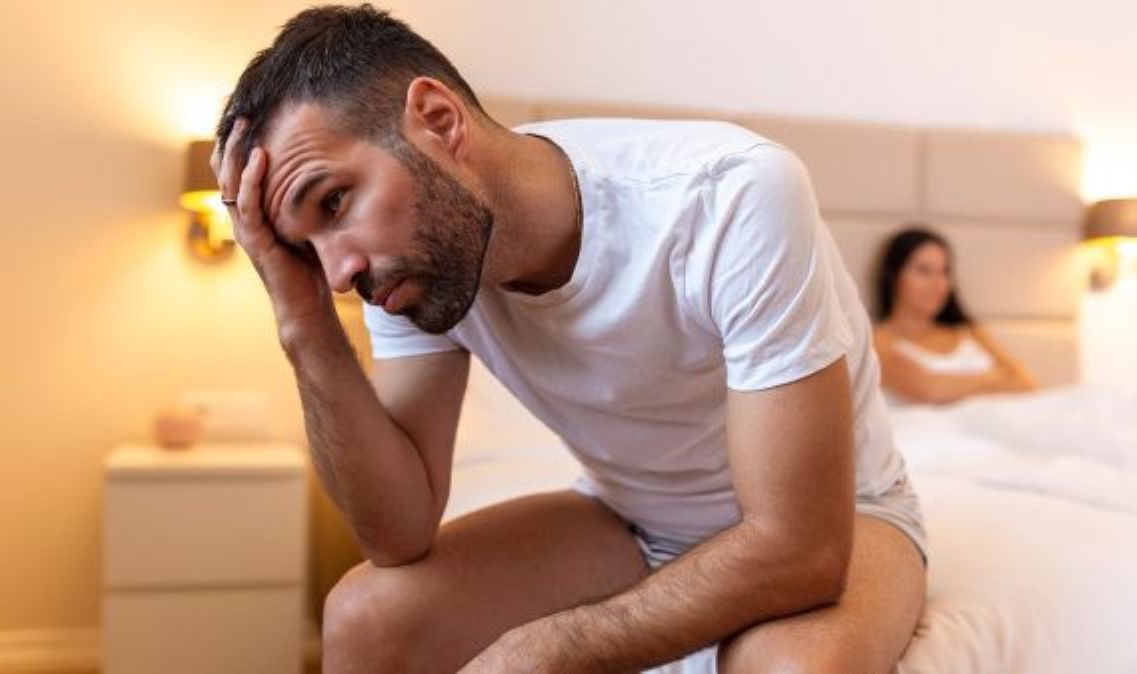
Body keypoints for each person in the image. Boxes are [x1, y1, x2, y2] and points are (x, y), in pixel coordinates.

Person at [211, 5, 926, 673]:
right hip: (629, 518)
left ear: (436, 120)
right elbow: (398, 535)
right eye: (309, 247)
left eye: (334, 201)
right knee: (363, 617)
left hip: (844, 518)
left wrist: (551, 648)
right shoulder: (410, 271)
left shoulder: (728, 197)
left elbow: (801, 550)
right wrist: (301, 321)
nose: (340, 273)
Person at [873, 227, 1037, 405]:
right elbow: (931, 390)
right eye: (924, 271)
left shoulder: (969, 332)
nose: (938, 284)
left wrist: (952, 385)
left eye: (944, 272)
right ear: (893, 276)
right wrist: (998, 377)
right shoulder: (878, 342)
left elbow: (1026, 383)